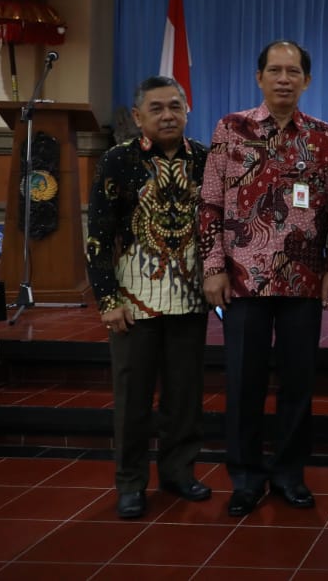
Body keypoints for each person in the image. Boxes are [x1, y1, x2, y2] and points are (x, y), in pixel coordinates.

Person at [199, 40, 328, 517]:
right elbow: (210, 202)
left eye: (293, 72)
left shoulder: (323, 135)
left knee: (299, 383)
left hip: (303, 278)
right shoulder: (231, 128)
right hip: (243, 278)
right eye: (275, 71)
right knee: (244, 382)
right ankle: (245, 478)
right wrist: (213, 267)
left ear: (307, 81)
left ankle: (289, 474)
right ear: (259, 77)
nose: (284, 79)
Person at [86, 75, 210, 520]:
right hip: (133, 300)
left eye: (175, 106)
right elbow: (98, 236)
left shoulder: (205, 159)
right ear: (138, 117)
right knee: (133, 399)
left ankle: (178, 472)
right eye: (156, 108)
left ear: (187, 111)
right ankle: (131, 483)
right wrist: (107, 300)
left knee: (185, 397)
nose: (167, 115)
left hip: (190, 299)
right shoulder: (117, 161)